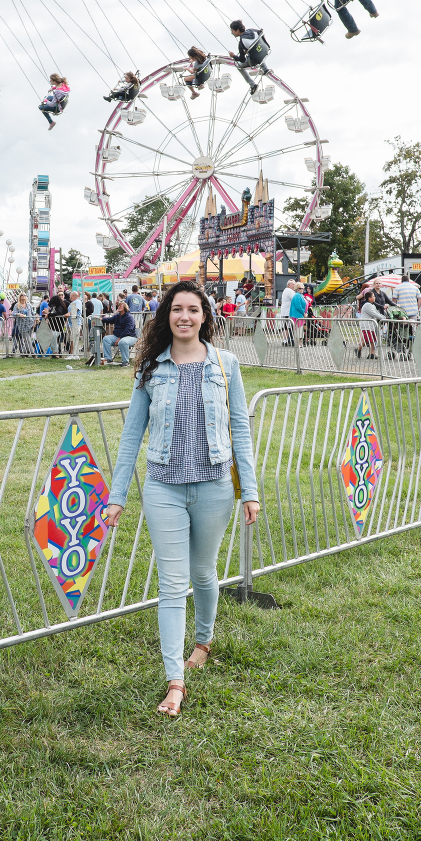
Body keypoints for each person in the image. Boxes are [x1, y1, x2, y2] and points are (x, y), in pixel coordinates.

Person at [103, 281, 259, 718]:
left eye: (193, 309)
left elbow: (241, 431)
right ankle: (176, 680)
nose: (184, 316)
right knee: (171, 585)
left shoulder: (226, 366)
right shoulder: (151, 369)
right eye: (176, 309)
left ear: (205, 316)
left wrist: (250, 490)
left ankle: (203, 641)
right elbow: (132, 435)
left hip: (213, 488)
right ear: (165, 316)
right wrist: (117, 497)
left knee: (204, 573)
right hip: (164, 489)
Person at [227, 20, 264, 93]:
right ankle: (265, 69)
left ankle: (253, 84)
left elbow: (242, 60)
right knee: (257, 49)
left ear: (237, 30)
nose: (232, 33)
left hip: (255, 60)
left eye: (232, 31)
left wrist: (234, 56)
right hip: (264, 51)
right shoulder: (252, 30)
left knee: (238, 66)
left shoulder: (241, 42)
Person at [101, 300, 138, 366]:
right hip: (118, 336)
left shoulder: (129, 317)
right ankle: (108, 358)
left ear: (125, 308)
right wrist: (101, 319)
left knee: (122, 342)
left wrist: (119, 338)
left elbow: (128, 330)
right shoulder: (117, 316)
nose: (119, 306)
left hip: (130, 337)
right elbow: (110, 320)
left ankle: (125, 362)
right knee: (106, 339)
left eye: (121, 305)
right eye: (119, 305)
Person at [357, 291, 389, 359]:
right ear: (369, 298)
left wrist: (384, 316)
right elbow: (374, 314)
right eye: (373, 296)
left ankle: (372, 353)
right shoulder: (367, 305)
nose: (374, 297)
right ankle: (358, 349)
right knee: (367, 340)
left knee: (373, 339)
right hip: (366, 325)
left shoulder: (372, 305)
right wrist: (383, 318)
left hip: (371, 325)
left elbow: (377, 313)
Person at [280, 278, 295, 344]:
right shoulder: (289, 291)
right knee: (287, 326)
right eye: (293, 284)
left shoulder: (286, 290)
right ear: (289, 285)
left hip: (286, 311)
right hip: (287, 311)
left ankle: (286, 339)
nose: (294, 285)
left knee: (286, 326)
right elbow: (294, 298)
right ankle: (286, 340)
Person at [67, 291, 82, 357]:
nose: (70, 297)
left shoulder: (78, 302)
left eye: (70, 295)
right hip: (71, 324)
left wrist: (68, 314)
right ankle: (72, 353)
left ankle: (73, 354)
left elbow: (76, 309)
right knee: (72, 339)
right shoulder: (72, 303)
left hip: (76, 323)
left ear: (73, 296)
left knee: (74, 339)